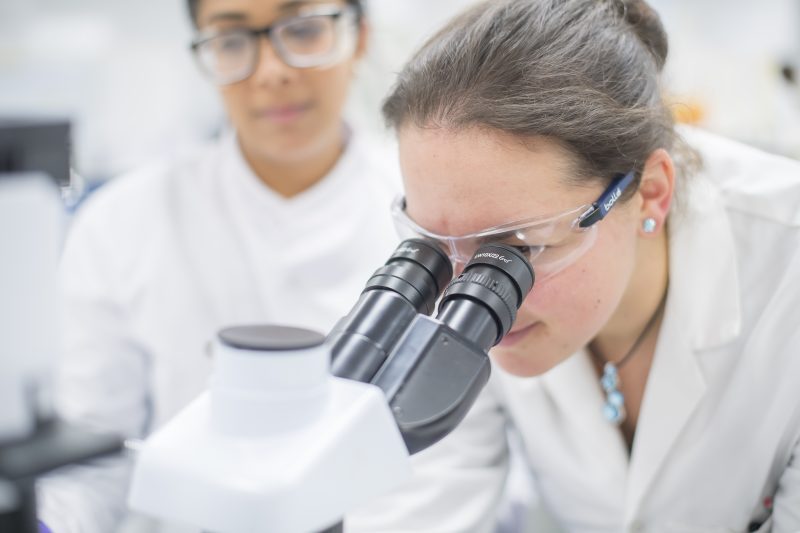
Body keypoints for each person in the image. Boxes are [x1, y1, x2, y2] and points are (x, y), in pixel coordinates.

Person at [346, 0, 800, 531]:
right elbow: (431, 502)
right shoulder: (468, 247)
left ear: (650, 193)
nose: (467, 292)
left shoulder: (784, 269)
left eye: (516, 246)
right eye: (436, 244)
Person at [37, 1, 401, 531]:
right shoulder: (121, 222)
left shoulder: (430, 212)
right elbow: (89, 456)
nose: (272, 71)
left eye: (302, 30)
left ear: (359, 38)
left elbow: (461, 462)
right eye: (232, 41)